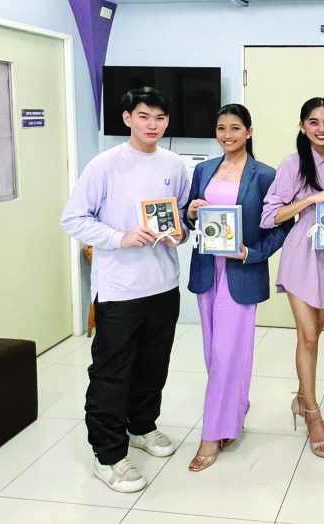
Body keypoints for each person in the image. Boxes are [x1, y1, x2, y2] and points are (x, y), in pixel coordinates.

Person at [60, 87, 189, 493]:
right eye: (144, 116)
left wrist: (181, 232)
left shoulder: (174, 164)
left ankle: (142, 426)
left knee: (154, 365)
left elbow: (181, 218)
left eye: (160, 118)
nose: (153, 125)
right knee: (112, 374)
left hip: (164, 284)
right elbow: (73, 218)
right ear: (127, 118)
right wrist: (120, 237)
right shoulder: (105, 165)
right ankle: (108, 456)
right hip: (119, 289)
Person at [185, 104, 291, 471]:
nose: (227, 135)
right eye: (221, 129)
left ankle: (211, 434)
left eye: (234, 128)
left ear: (249, 131)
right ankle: (233, 410)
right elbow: (189, 215)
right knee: (213, 352)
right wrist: (191, 212)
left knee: (227, 353)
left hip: (240, 273)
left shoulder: (264, 175)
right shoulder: (203, 170)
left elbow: (282, 225)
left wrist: (252, 253)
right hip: (206, 270)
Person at [260, 97, 324, 458]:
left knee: (316, 335)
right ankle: (312, 414)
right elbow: (271, 215)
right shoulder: (293, 163)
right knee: (308, 336)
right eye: (313, 122)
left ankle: (301, 398)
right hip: (301, 255)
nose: (321, 128)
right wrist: (312, 200)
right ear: (302, 126)